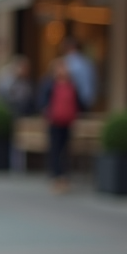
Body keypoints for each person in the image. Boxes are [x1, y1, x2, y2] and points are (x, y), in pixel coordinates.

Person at [38, 58, 83, 194]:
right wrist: (47, 114)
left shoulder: (72, 84)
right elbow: (42, 101)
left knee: (66, 150)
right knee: (55, 149)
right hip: (54, 122)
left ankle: (64, 177)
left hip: (67, 122)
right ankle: (55, 176)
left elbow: (79, 102)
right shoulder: (49, 84)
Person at [61, 36, 97, 109]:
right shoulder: (87, 62)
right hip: (88, 99)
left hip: (74, 100)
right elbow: (94, 81)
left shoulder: (66, 62)